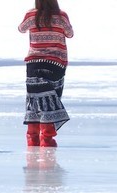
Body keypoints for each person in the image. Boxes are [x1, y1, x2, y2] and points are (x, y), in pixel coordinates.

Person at [18, 0, 73, 147]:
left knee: (34, 101)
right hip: (55, 64)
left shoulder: (31, 15)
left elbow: (21, 28)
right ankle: (47, 138)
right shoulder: (61, 16)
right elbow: (70, 33)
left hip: (34, 63)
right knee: (51, 100)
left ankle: (33, 138)